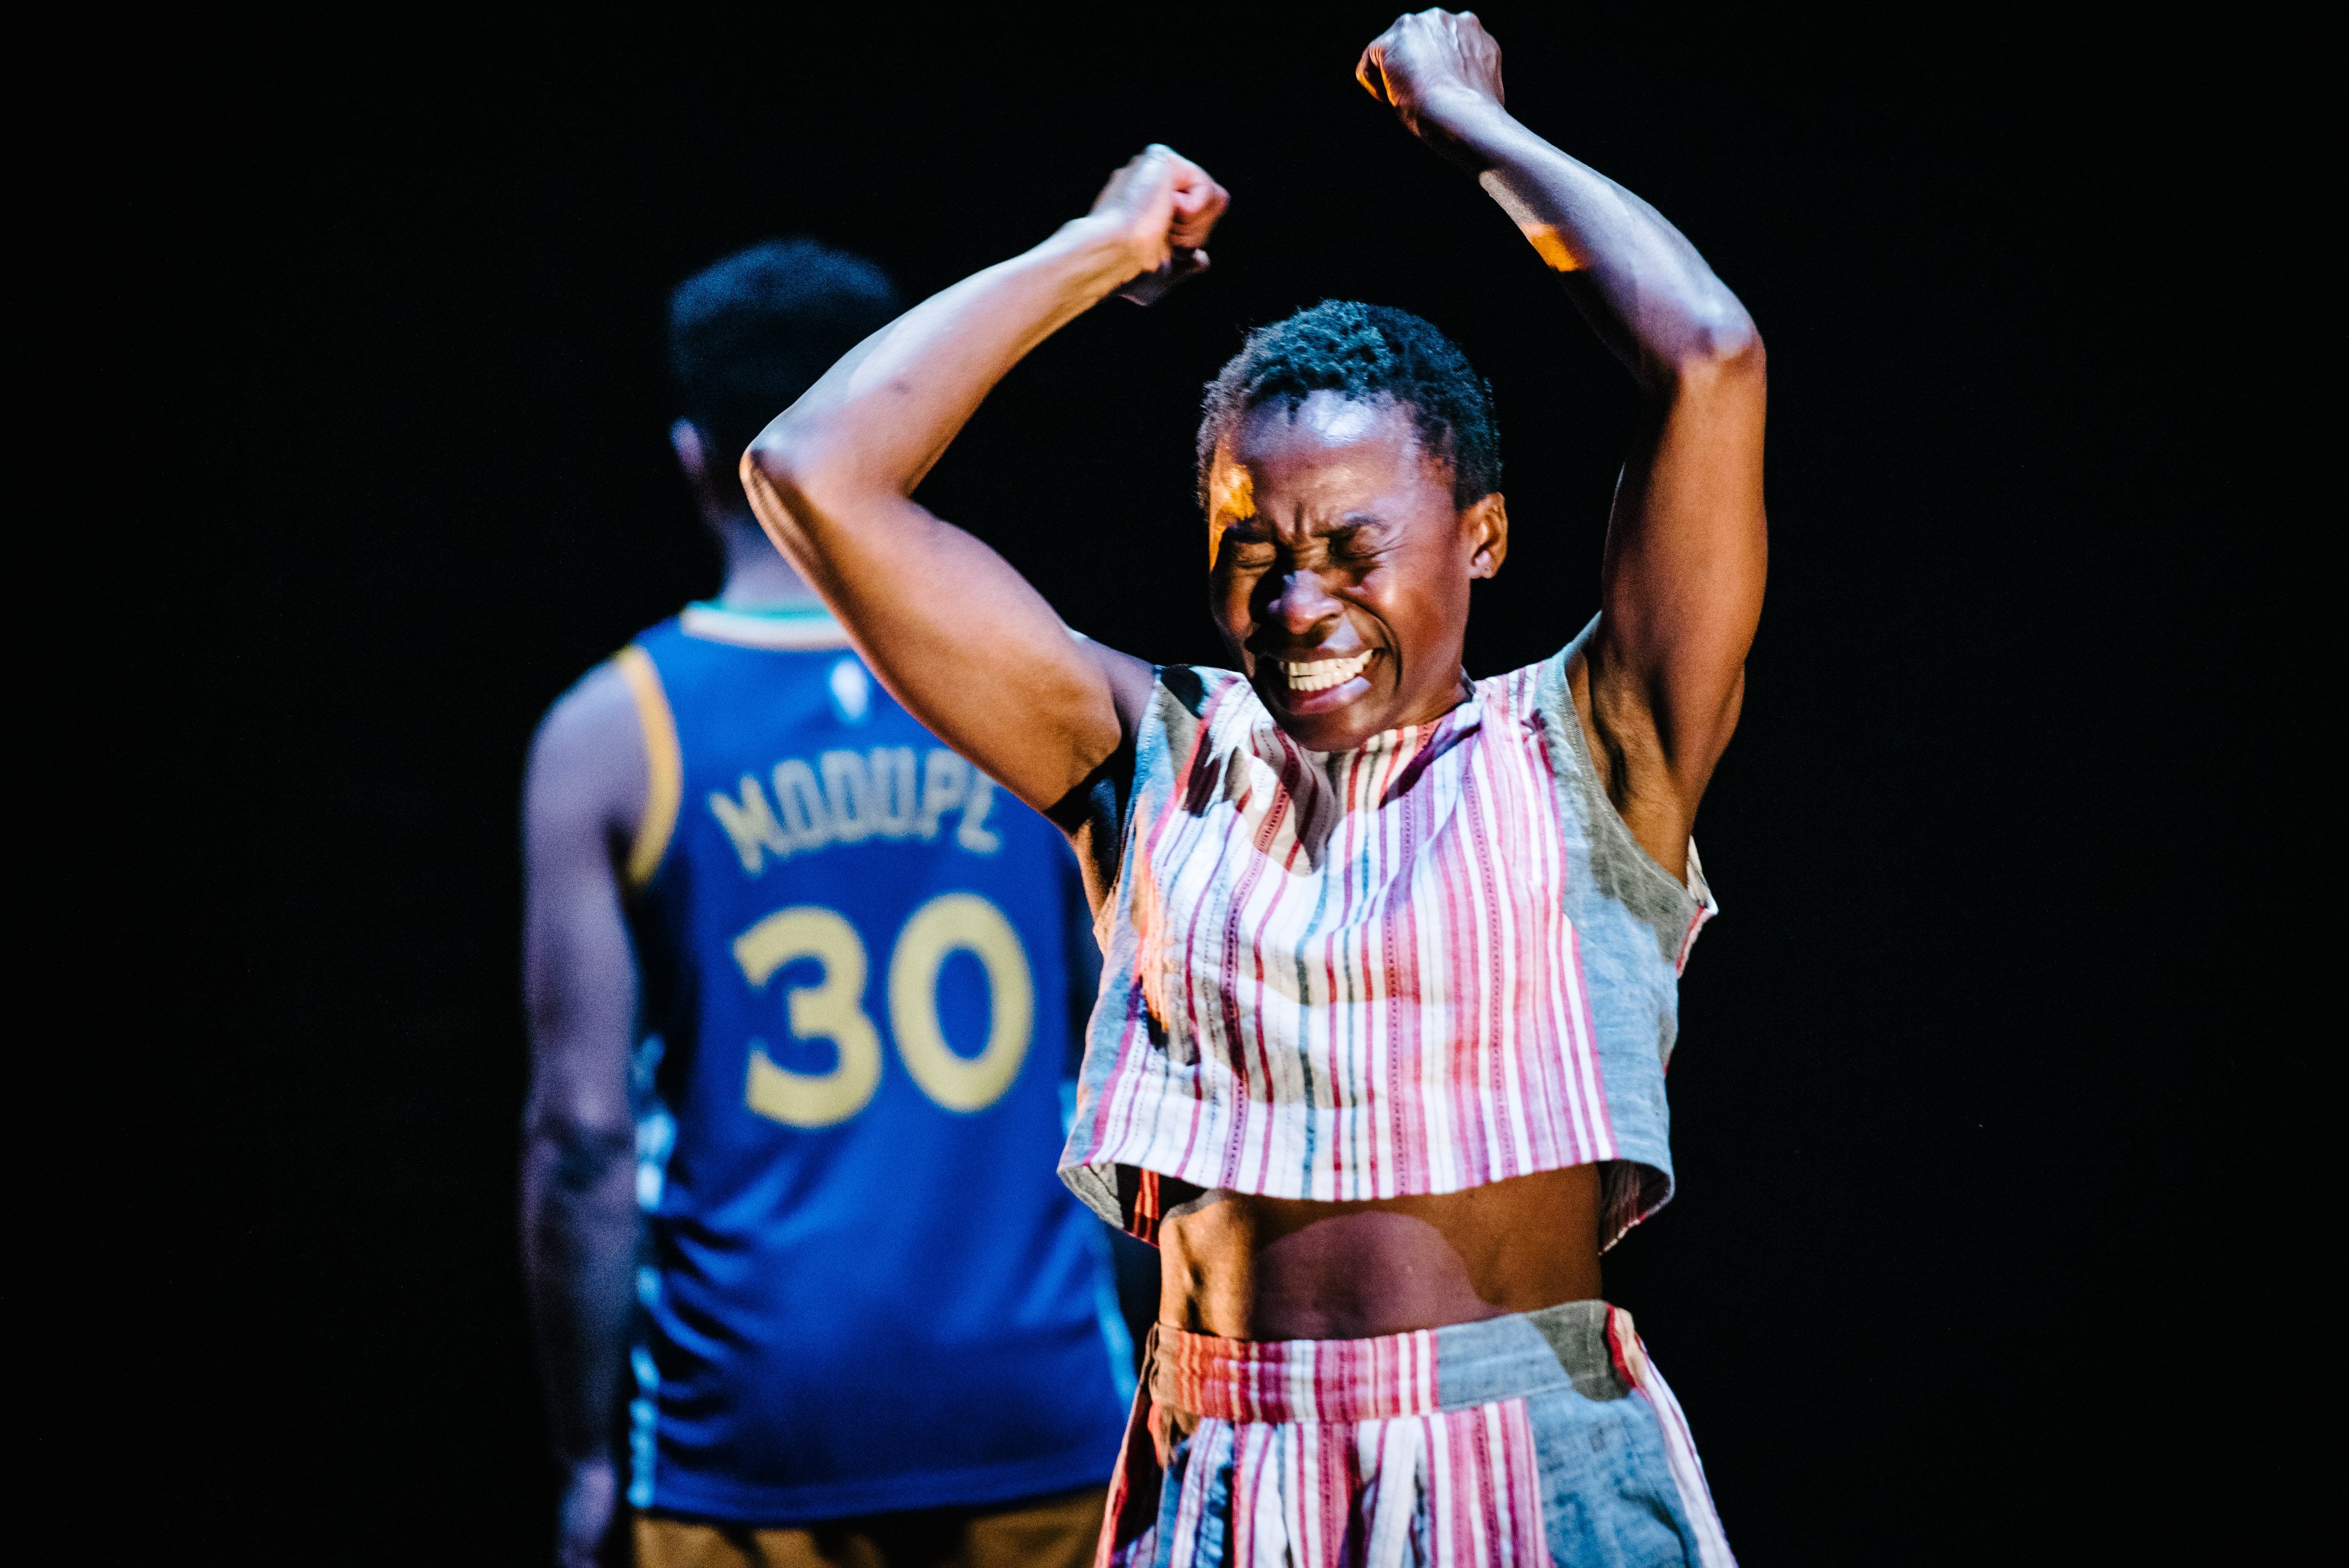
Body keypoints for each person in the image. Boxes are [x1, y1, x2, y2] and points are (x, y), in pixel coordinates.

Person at [740, 10, 1764, 1563]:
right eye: (1252, 552)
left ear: (1482, 536)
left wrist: (1469, 124)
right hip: (1231, 1467)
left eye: (1354, 549)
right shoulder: (1149, 753)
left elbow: (1709, 355)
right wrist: (1097, 247)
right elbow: (813, 471)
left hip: (1531, 1463)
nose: (1298, 603)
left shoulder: (1597, 744)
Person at [521, 239, 1136, 1568]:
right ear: (912, 418)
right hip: (1041, 1395)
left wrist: (585, 1453)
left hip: (752, 1428)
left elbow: (581, 1139)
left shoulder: (611, 734)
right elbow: (1142, 1060)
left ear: (693, 455)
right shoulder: (1055, 692)